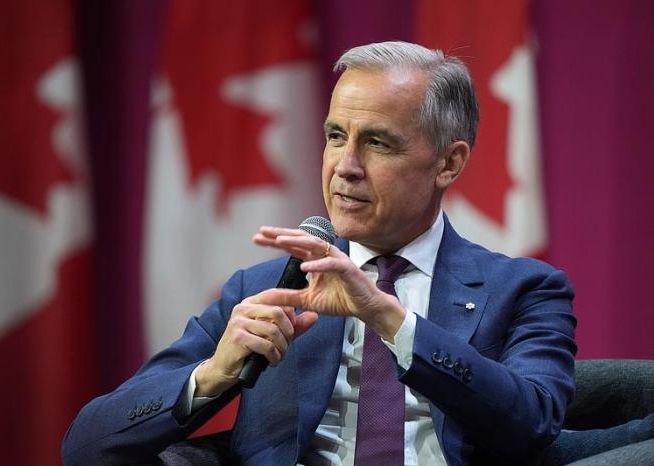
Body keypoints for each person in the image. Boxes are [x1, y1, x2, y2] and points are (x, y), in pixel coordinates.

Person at [62, 41, 579, 465]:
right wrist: (212, 374)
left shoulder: (524, 290)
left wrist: (390, 320)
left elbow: (533, 424)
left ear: (449, 163)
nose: (345, 166)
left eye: (377, 143)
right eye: (336, 136)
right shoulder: (267, 289)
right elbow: (87, 447)